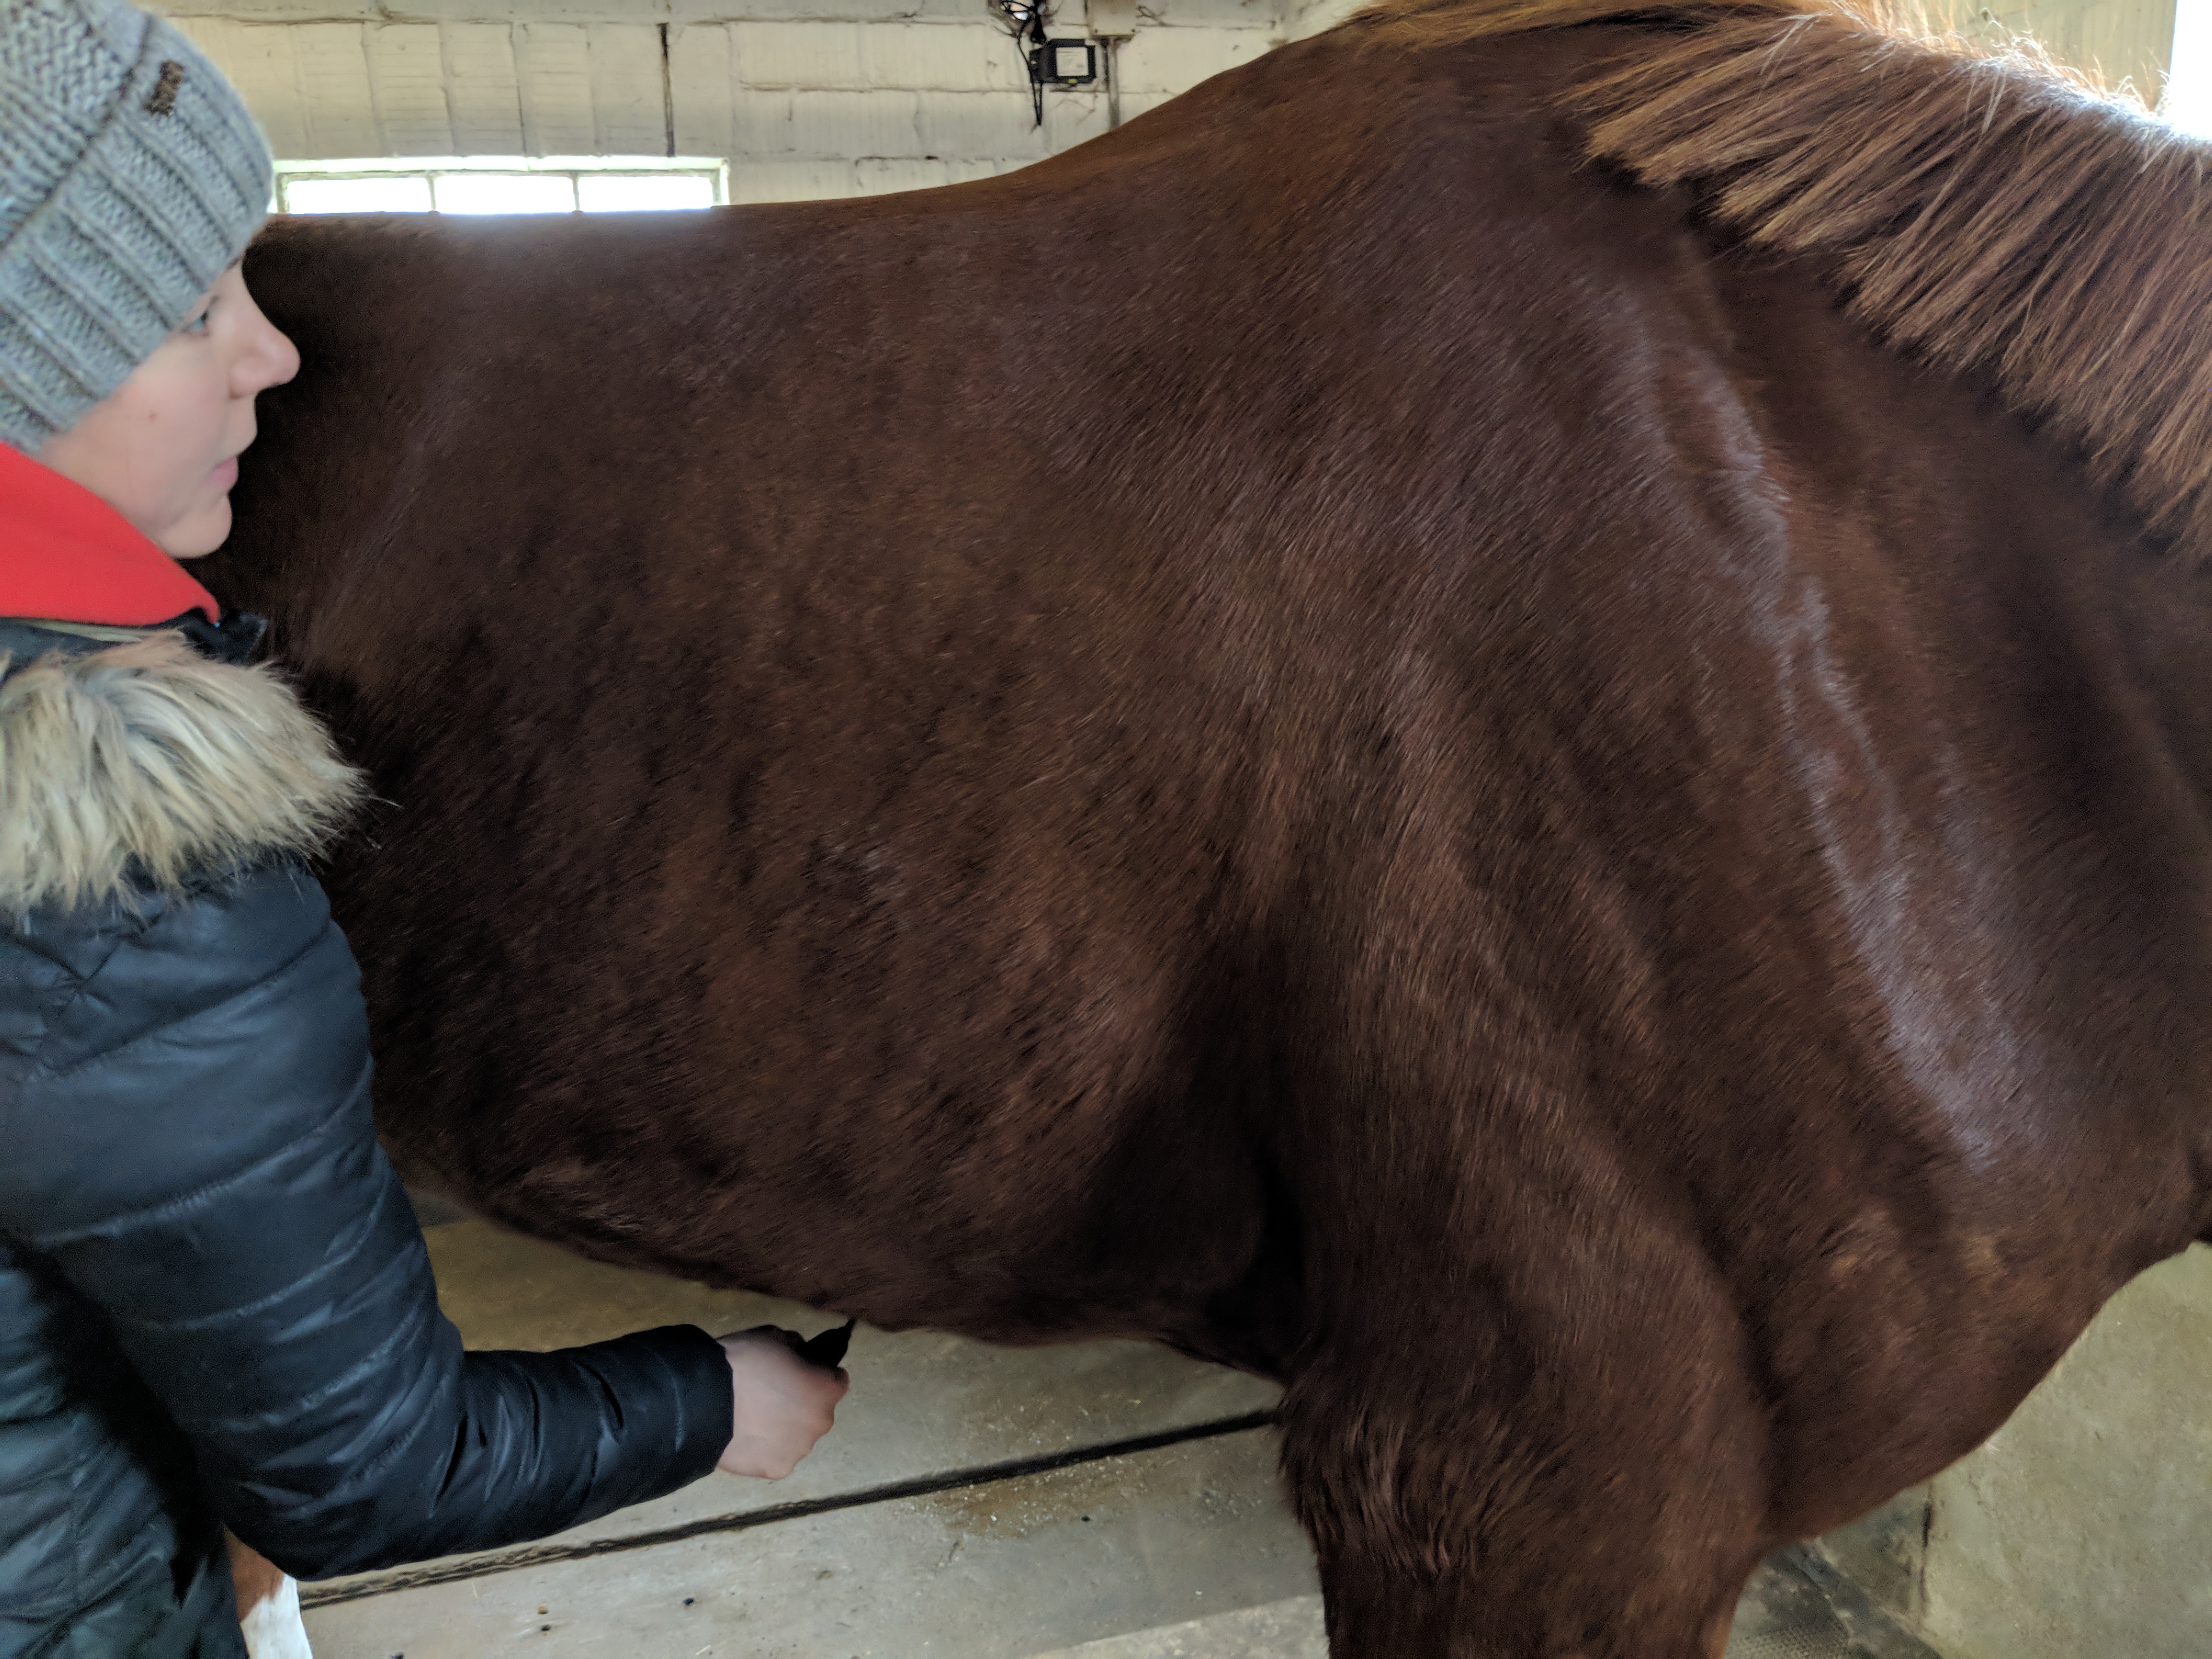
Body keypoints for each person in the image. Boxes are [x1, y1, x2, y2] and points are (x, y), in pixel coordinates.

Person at [0, 4, 851, 1655]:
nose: (274, 353)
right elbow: (367, 1467)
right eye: (189, 311)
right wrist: (711, 1398)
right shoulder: (118, 882)